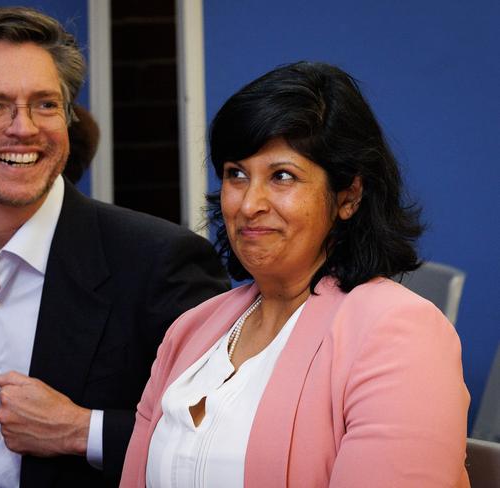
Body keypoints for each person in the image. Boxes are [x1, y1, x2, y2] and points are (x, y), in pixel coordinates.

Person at [0, 7, 228, 488]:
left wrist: (80, 431)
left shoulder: (158, 261)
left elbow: (220, 440)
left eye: (46, 105)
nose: (24, 127)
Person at [120, 61, 470, 487]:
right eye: (237, 175)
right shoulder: (189, 331)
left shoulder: (400, 333)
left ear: (348, 196)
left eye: (282, 176)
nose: (249, 204)